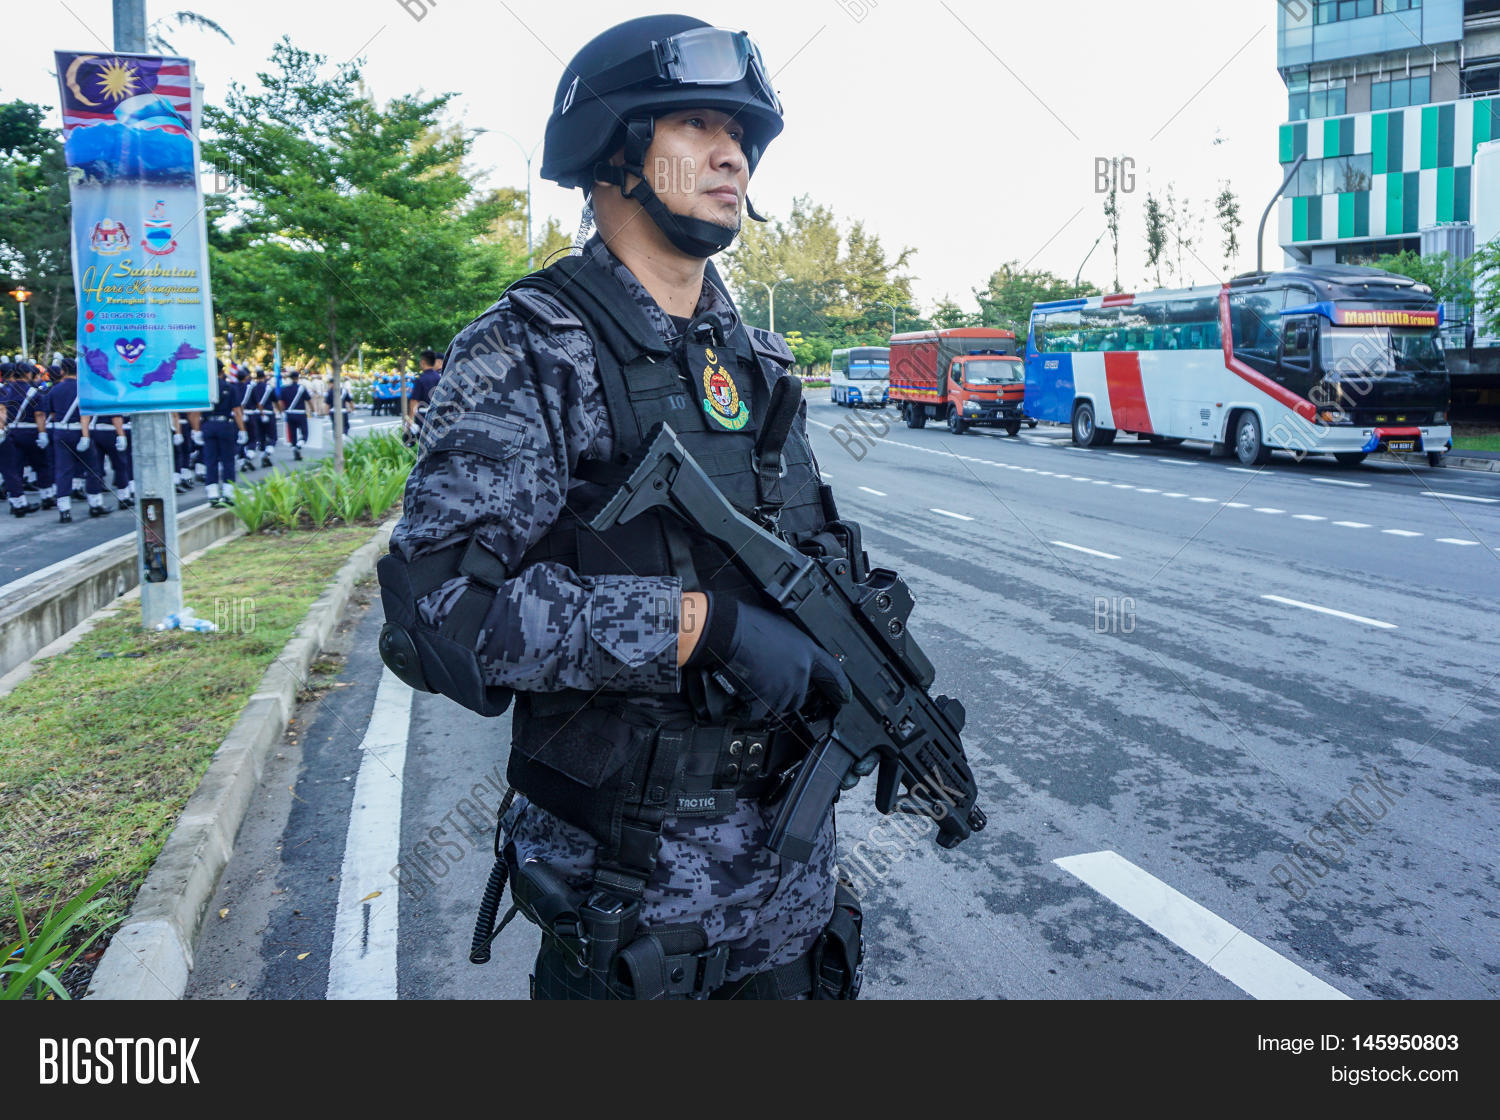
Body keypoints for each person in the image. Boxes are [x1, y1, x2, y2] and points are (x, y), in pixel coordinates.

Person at [381, 14, 864, 1000]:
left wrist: (857, 644)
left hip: (791, 908)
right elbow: (438, 621)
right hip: (628, 915)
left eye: (744, 135)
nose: (732, 153)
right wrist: (700, 627)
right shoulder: (522, 350)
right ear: (613, 152)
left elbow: (808, 553)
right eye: (695, 125)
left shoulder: (761, 365)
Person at [39, 357, 107, 521]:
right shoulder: (85, 389)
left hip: (61, 432)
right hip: (80, 430)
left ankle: (64, 510)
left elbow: (52, 414)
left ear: (62, 371)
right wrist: (85, 436)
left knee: (63, 470)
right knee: (92, 469)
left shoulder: (54, 390)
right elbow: (86, 414)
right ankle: (95, 504)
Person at [200, 360, 248, 507]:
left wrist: (196, 430)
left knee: (210, 460)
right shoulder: (229, 387)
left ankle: (213, 494)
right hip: (225, 425)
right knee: (228, 460)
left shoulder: (205, 388)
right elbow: (237, 411)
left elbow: (195, 412)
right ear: (222, 371)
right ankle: (227, 493)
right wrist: (242, 430)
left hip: (208, 424)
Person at [405, 349, 441, 437]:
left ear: (423, 362)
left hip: (423, 416)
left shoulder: (421, 379)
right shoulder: (439, 377)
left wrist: (410, 420)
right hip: (437, 415)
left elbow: (414, 401)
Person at [278, 368, 309, 460]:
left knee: (292, 433)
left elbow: (280, 402)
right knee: (304, 433)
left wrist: (281, 411)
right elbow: (309, 400)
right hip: (300, 413)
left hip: (289, 413)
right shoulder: (301, 388)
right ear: (298, 378)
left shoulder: (284, 388)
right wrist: (313, 411)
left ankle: (295, 449)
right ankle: (299, 446)